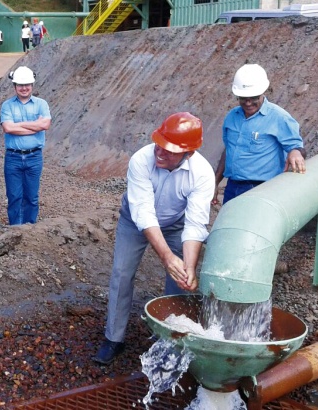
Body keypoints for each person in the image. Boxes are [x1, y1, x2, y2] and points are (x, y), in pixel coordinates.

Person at [94, 112, 214, 365]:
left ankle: (171, 338)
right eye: (160, 144)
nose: (160, 152)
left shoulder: (202, 173)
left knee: (180, 279)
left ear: (188, 153)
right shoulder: (141, 159)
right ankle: (113, 338)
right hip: (134, 221)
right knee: (121, 273)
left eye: (169, 150)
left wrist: (188, 267)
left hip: (175, 224)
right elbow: (144, 213)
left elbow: (195, 224)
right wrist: (167, 256)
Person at [214, 63, 306, 205]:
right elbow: (229, 150)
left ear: (263, 92)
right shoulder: (232, 117)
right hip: (232, 187)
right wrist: (215, 182)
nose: (248, 102)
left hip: (263, 189)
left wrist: (295, 152)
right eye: (243, 98)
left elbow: (296, 147)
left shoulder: (278, 117)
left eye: (253, 97)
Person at [0, 66, 51, 225]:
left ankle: (30, 230)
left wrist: (19, 126)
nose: (24, 88)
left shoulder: (41, 104)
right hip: (13, 157)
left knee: (32, 197)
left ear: (32, 85)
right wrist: (34, 126)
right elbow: (8, 128)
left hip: (34, 156)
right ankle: (15, 229)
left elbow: (45, 125)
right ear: (15, 86)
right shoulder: (7, 105)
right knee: (14, 196)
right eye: (20, 85)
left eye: (27, 84)